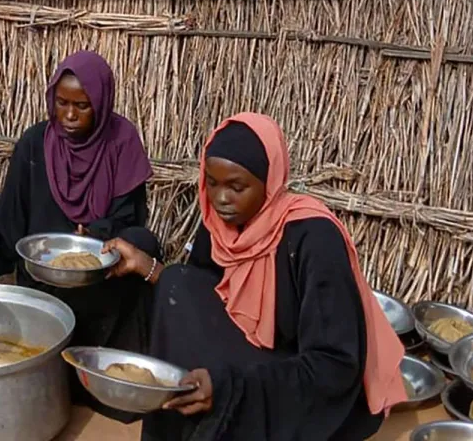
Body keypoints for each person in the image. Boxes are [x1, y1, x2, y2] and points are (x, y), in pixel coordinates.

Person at [104, 113, 406, 440]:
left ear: (270, 180)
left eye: (237, 186)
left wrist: (230, 389)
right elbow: (204, 298)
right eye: (212, 182)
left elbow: (333, 366)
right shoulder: (222, 224)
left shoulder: (313, 240)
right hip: (250, 361)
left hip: (309, 387)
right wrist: (147, 267)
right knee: (177, 281)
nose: (220, 198)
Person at [0, 50, 160, 418]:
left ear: (102, 104)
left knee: (143, 244)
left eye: (83, 106)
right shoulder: (35, 143)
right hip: (46, 280)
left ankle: (98, 369)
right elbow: (8, 217)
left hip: (102, 277)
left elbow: (129, 217)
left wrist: (95, 236)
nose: (69, 116)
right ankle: (55, 368)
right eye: (62, 103)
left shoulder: (121, 141)